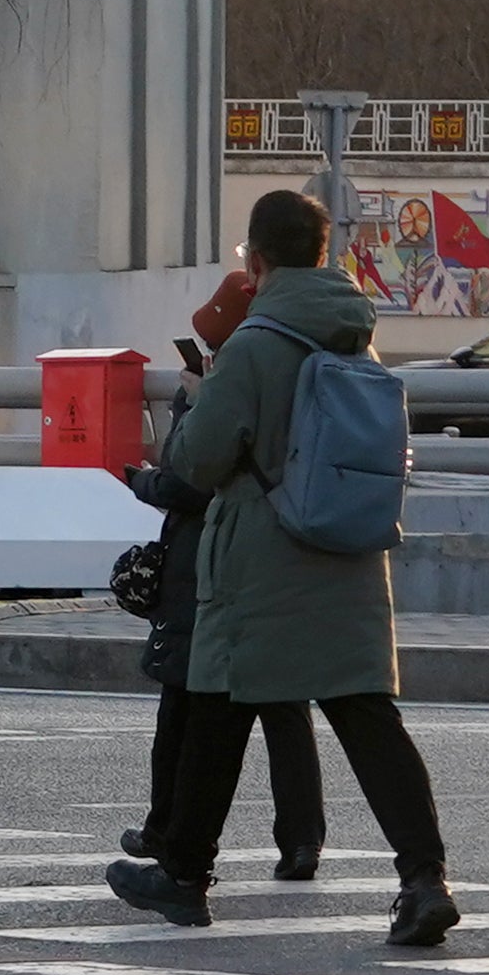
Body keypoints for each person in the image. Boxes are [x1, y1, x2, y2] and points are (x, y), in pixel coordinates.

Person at [109, 187, 458, 947]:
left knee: (214, 704)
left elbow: (197, 460)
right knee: (370, 721)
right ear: (322, 255)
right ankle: (424, 878)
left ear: (256, 261)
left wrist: (200, 406)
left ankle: (183, 875)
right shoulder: (354, 334)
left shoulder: (258, 343)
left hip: (264, 564)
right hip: (351, 557)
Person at [119, 259, 326, 883]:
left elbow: (194, 475)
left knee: (189, 704)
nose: (206, 350)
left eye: (212, 340)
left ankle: (172, 841)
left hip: (209, 564)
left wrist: (145, 479)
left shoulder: (232, 378)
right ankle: (300, 840)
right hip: (283, 559)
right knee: (285, 706)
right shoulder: (293, 363)